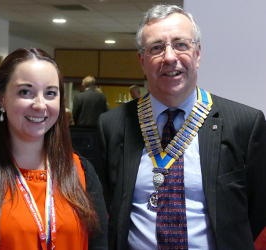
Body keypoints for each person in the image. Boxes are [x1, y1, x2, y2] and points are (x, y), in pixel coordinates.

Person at [98, 4, 266, 250]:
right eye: (156, 47)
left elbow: (257, 208)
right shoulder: (113, 125)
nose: (169, 57)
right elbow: (107, 207)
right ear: (142, 60)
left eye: (181, 45)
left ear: (197, 54)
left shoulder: (244, 124)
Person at [0, 48, 108, 250]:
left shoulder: (81, 171)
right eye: (26, 92)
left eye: (50, 93)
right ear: (1, 98)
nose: (40, 104)